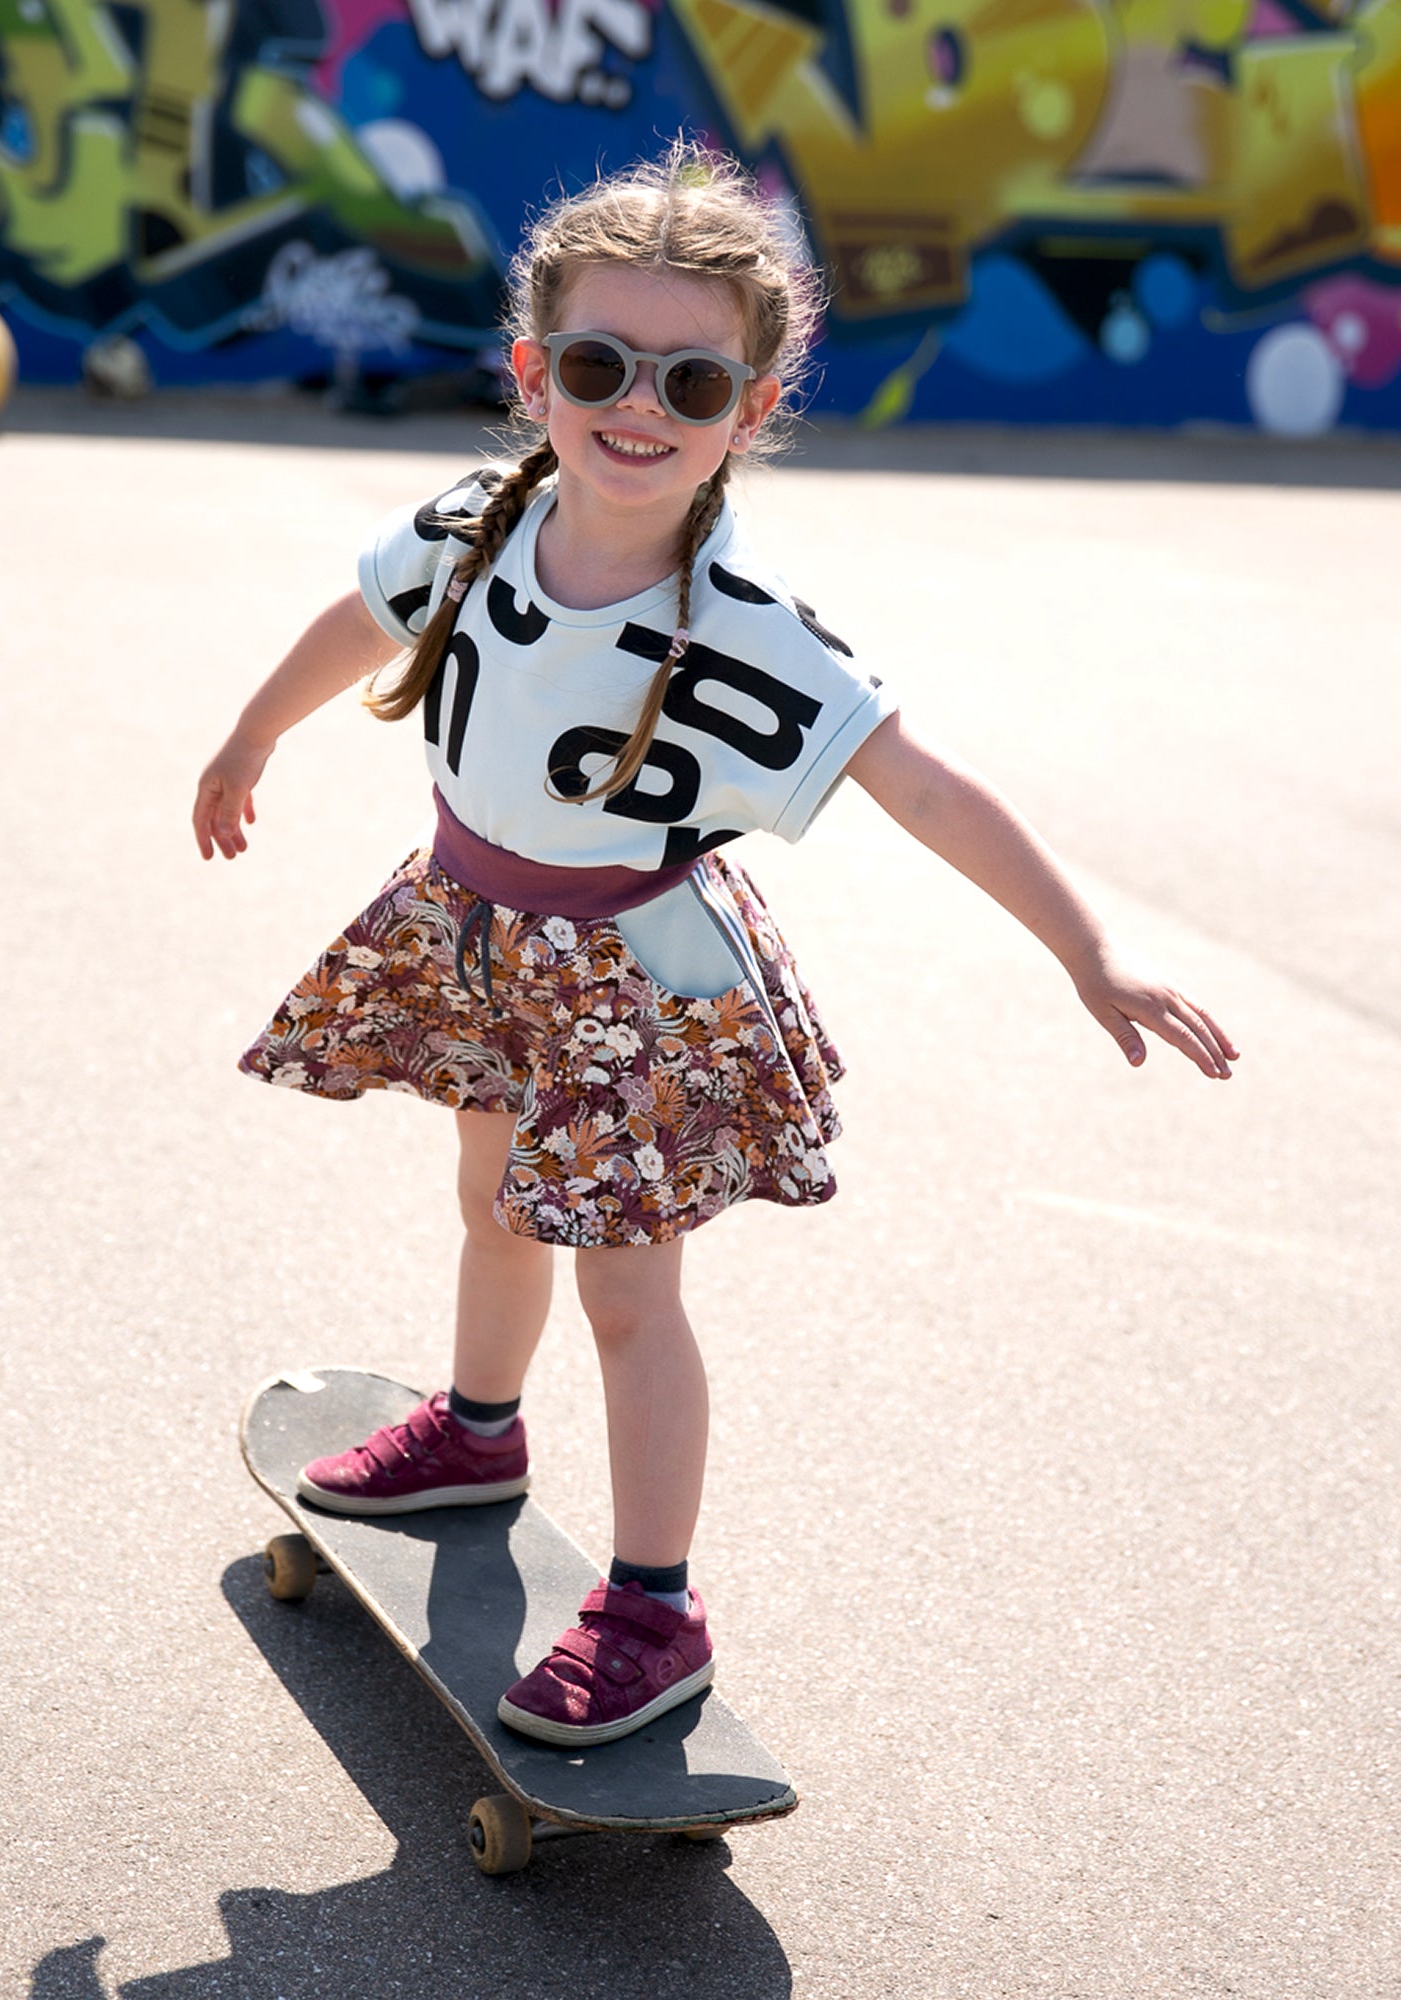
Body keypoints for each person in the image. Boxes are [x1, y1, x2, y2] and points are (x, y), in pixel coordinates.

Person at [192, 145, 1237, 1750]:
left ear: (750, 410)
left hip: (629, 984)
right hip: (476, 927)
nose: (640, 406)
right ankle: (477, 1431)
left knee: (628, 1298)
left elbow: (925, 783)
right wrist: (253, 736)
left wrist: (1085, 953)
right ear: (537, 373)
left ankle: (655, 1611)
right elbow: (368, 615)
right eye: (601, 364)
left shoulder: (748, 624)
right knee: (487, 1201)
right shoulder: (480, 521)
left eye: (693, 380)